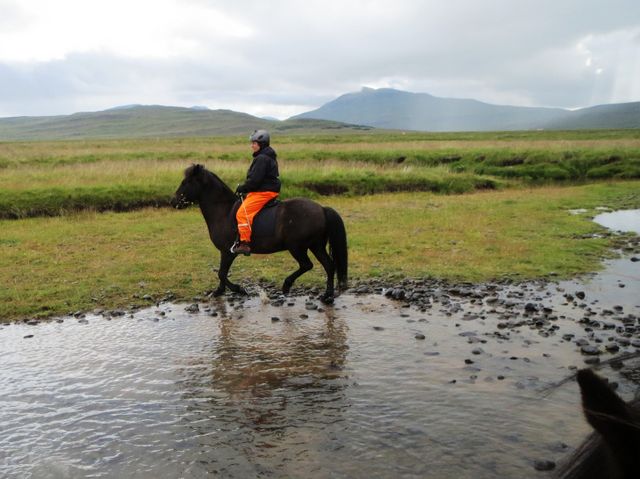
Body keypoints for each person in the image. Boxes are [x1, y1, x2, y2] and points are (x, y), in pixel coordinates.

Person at [231, 129, 281, 255]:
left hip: (264, 192)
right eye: (252, 143)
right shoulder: (266, 156)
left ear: (261, 144)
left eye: (254, 143)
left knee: (242, 213)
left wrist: (243, 188)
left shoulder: (262, 158)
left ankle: (245, 243)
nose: (252, 146)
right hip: (264, 190)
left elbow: (255, 181)